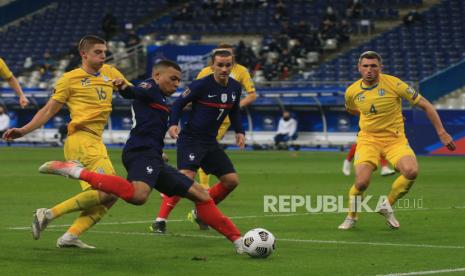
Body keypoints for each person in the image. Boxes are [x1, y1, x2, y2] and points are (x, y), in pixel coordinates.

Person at [38, 60, 245, 253]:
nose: (176, 84)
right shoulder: (150, 88)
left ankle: (238, 241)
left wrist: (159, 152)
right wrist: (124, 87)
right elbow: (135, 92)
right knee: (138, 196)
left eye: (179, 80)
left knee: (201, 195)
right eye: (172, 78)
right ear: (156, 75)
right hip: (139, 153)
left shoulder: (161, 98)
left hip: (152, 155)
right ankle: (75, 171)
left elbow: (150, 124)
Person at [2, 35, 130, 248]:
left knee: (109, 195)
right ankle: (48, 214)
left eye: (104, 52)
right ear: (84, 54)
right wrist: (23, 130)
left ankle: (70, 236)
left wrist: (125, 87)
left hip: (96, 141)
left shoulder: (111, 72)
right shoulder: (70, 79)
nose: (103, 56)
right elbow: (49, 110)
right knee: (110, 189)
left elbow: (135, 92)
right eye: (97, 52)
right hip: (80, 140)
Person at [338, 51, 456, 230]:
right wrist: (370, 116)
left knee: (411, 171)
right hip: (368, 140)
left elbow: (426, 105)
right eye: (366, 66)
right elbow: (352, 109)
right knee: (362, 182)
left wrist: (442, 132)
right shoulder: (352, 91)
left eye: (373, 66)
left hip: (395, 139)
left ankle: (387, 205)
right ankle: (351, 217)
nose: (369, 70)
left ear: (380, 67)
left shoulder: (395, 84)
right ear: (359, 68)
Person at [153, 43, 255, 232]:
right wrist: (173, 124)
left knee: (231, 180)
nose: (224, 69)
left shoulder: (234, 87)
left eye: (228, 65)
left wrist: (240, 131)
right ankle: (160, 220)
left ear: (232, 66)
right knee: (185, 179)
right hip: (191, 139)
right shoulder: (201, 84)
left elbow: (234, 111)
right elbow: (177, 104)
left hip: (210, 142)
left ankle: (202, 212)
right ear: (212, 65)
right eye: (220, 65)